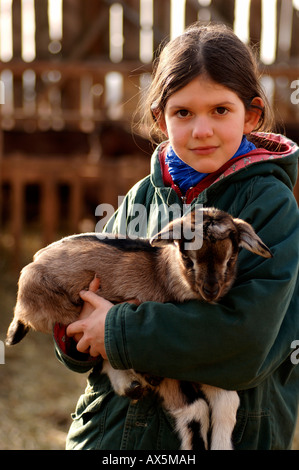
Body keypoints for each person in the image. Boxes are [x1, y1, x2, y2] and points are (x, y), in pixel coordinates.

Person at [54, 22, 299, 450]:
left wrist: (116, 331)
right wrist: (76, 335)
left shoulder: (268, 207)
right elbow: (81, 302)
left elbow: (245, 344)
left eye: (220, 110)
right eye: (183, 113)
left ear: (252, 114)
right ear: (161, 121)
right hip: (114, 434)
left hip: (225, 435)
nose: (201, 130)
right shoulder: (137, 203)